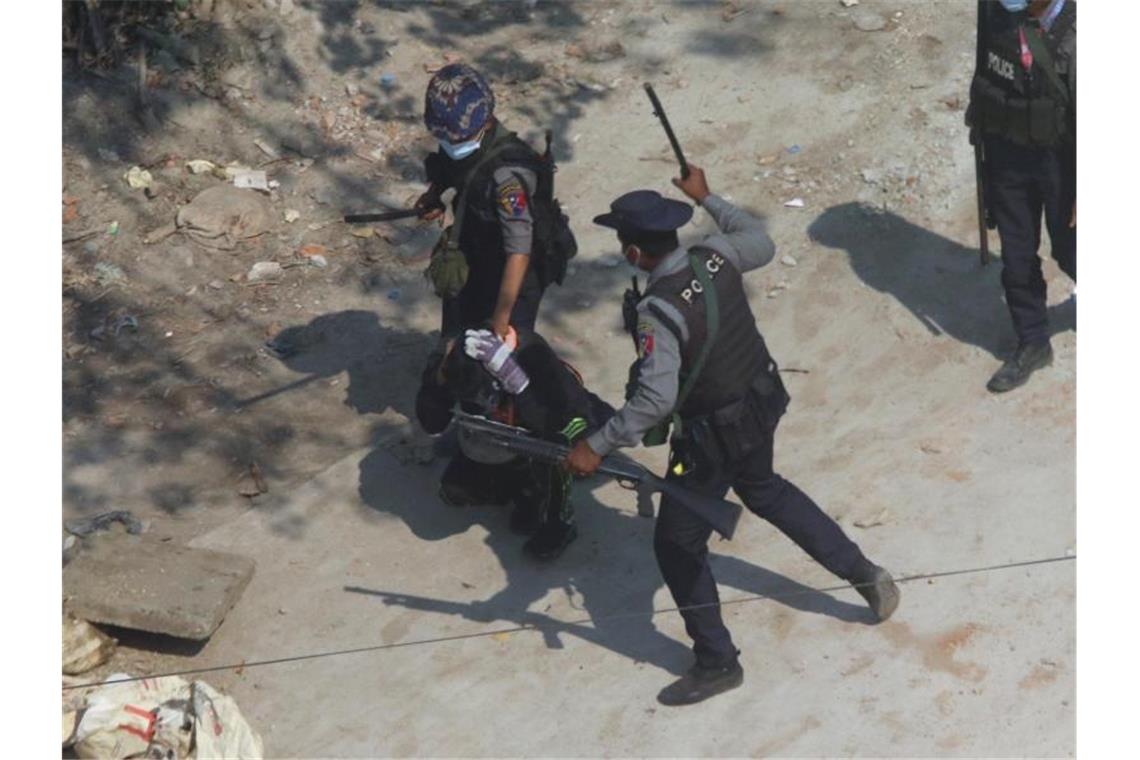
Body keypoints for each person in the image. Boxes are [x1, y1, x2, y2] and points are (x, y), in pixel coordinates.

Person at [564, 166, 900, 706]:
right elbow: (761, 241)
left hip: (710, 439)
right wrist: (709, 198)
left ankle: (717, 662)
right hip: (760, 402)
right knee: (765, 488)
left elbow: (654, 400)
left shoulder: (657, 311)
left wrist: (595, 446)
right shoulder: (714, 256)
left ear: (632, 254)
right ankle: (865, 573)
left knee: (676, 545)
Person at [416, 325, 612, 560]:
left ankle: (558, 521)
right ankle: (517, 483)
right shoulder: (456, 361)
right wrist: (437, 380)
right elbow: (432, 424)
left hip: (567, 421)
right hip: (503, 439)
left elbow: (573, 420)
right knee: (457, 489)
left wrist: (520, 387)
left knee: (561, 444)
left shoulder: (532, 356)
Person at [416, 63, 575, 341]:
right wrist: (434, 196)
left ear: (487, 121)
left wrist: (501, 321)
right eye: (443, 137)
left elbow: (519, 251)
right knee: (456, 336)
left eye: (457, 138)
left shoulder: (508, 177)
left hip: (514, 276)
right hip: (475, 252)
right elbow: (452, 167)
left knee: (505, 362)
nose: (450, 143)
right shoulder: (459, 135)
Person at [968, 0, 1076, 393]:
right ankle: (1032, 341)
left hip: (1062, 160)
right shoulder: (994, 9)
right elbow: (985, 67)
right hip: (1007, 150)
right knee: (1016, 257)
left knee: (1071, 249)